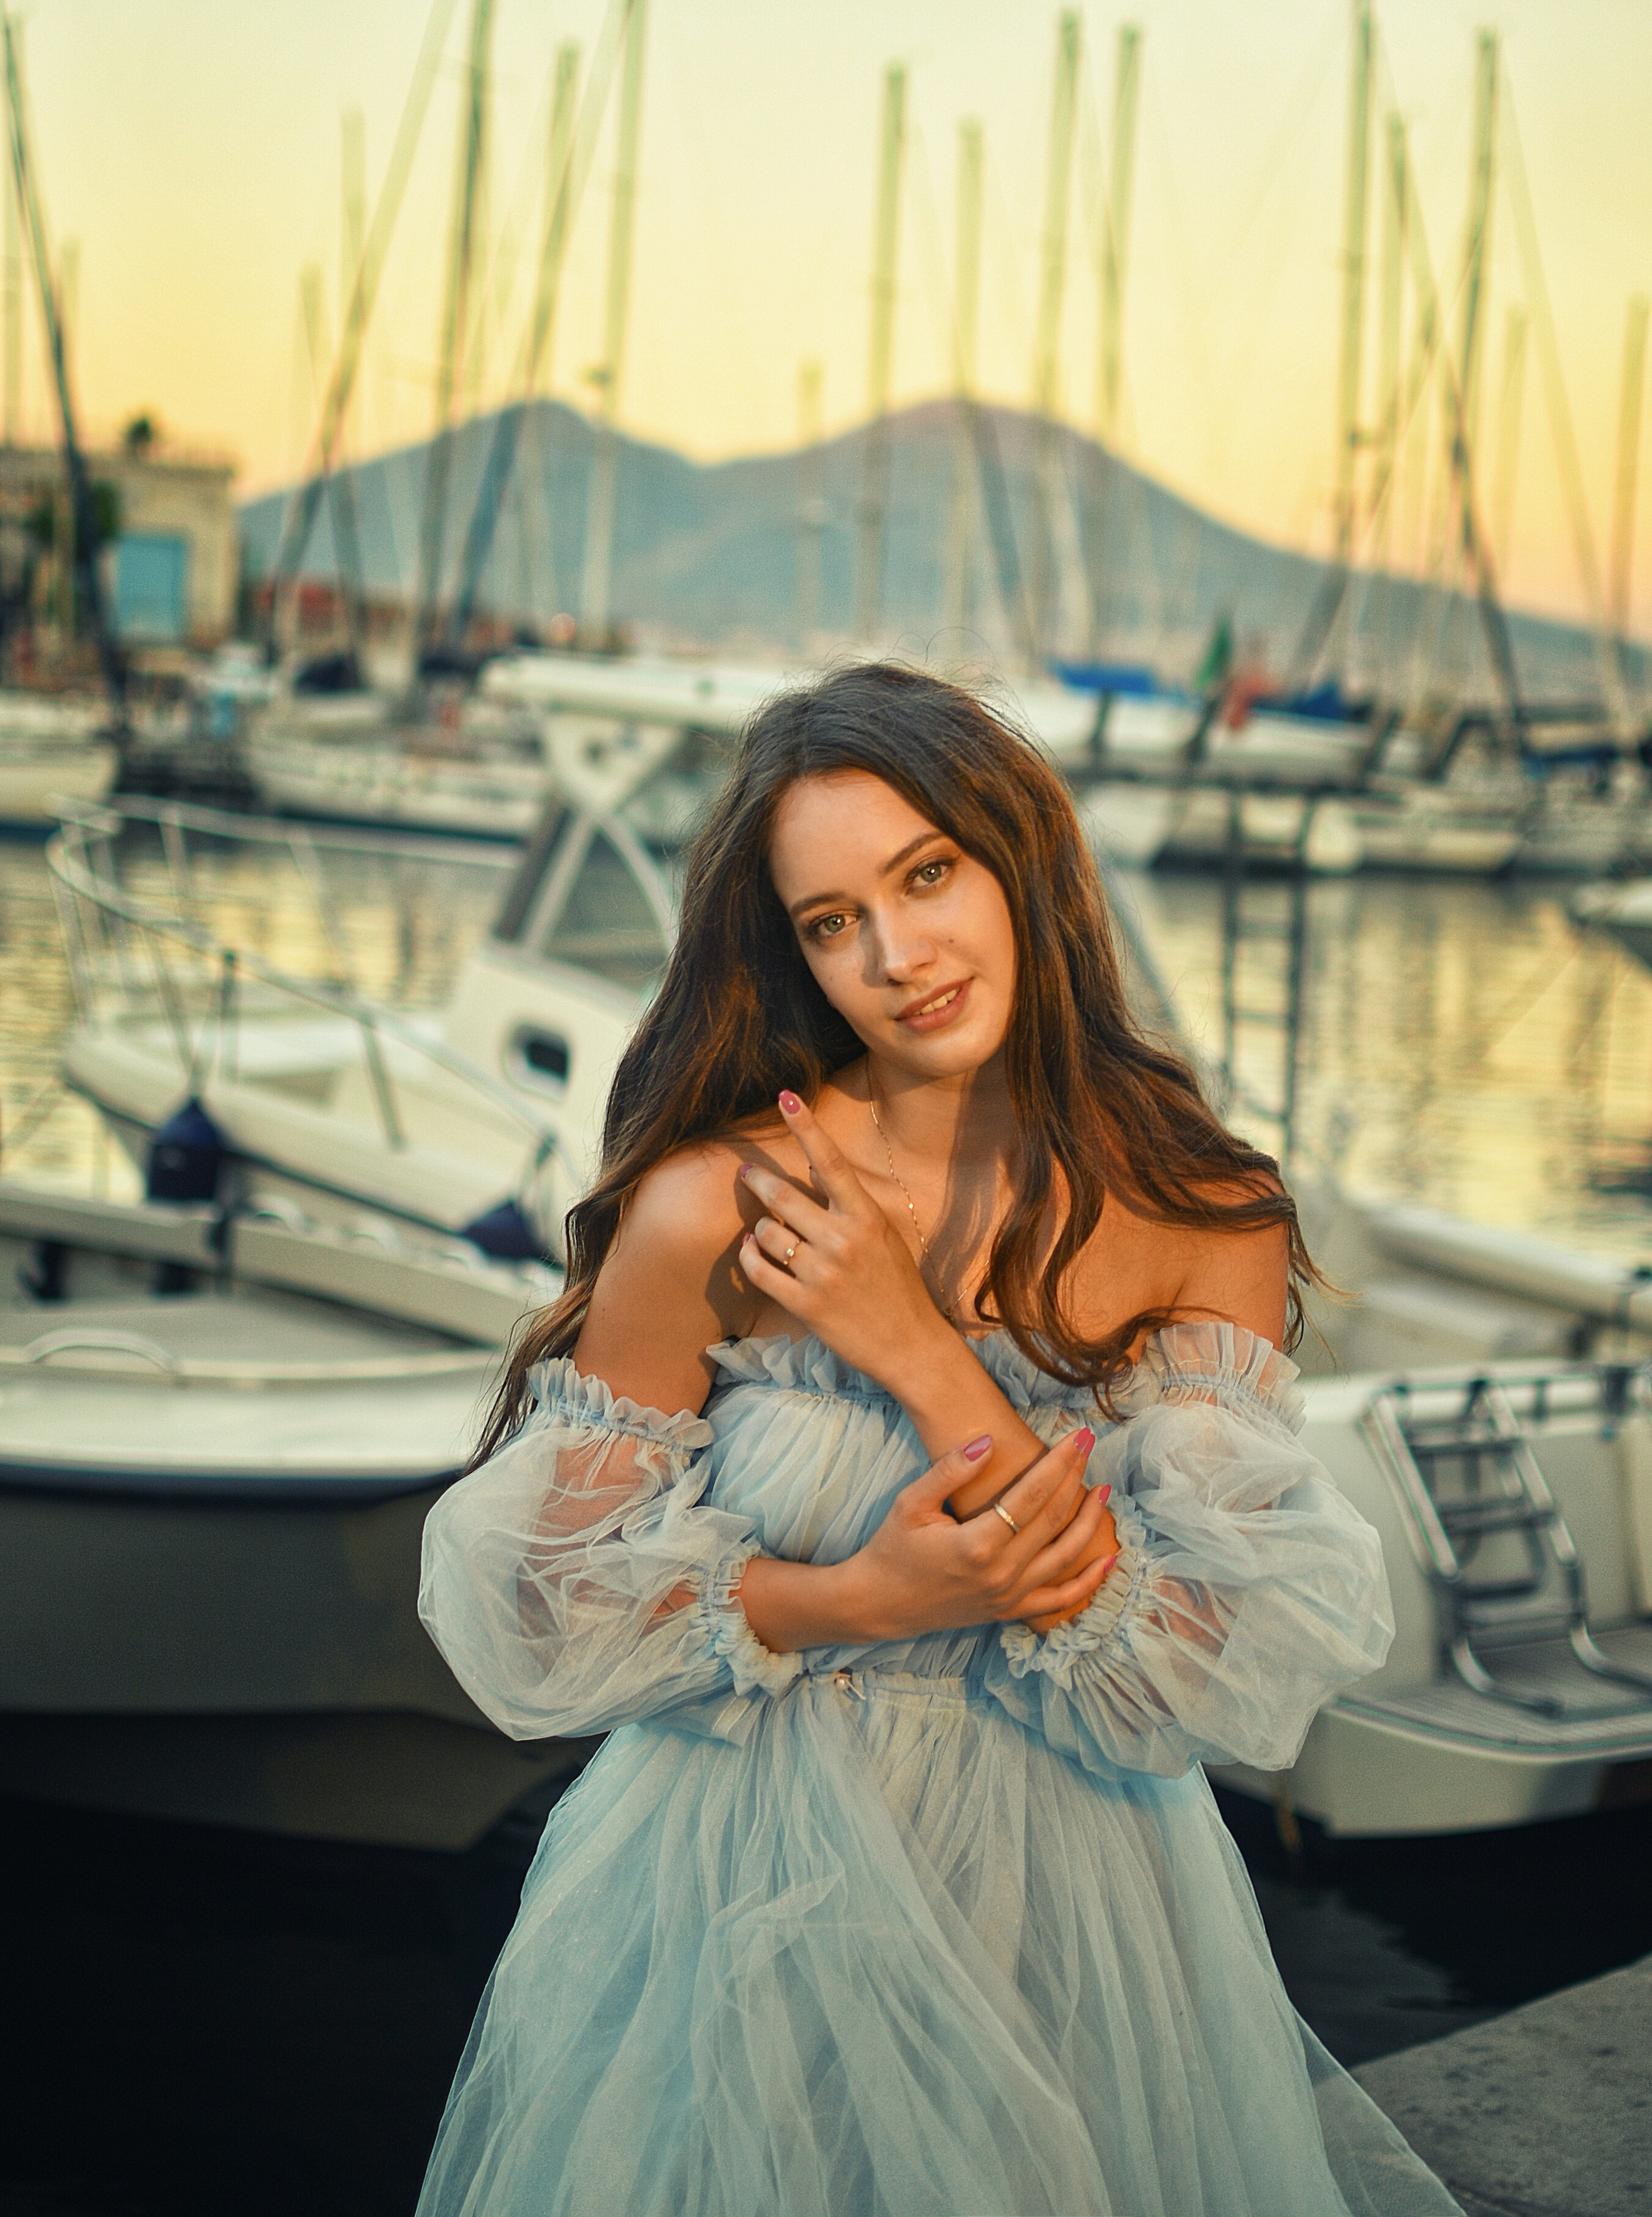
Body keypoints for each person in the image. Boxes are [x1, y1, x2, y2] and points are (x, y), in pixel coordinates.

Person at [417, 663, 1460, 2216]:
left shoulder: (1200, 1211)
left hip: (1084, 1918)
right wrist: (857, 1598)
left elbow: (1194, 1667)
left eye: (926, 875)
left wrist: (907, 1341)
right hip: (743, 1899)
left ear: (1018, 862)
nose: (897, 955)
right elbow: (541, 1605)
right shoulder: (722, 1204)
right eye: (833, 920)